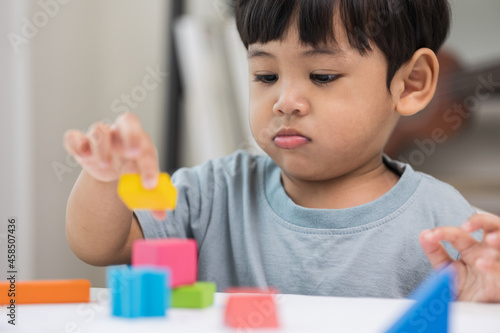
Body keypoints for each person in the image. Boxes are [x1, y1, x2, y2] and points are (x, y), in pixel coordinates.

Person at [64, 0, 500, 301]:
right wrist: (105, 178)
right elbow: (102, 246)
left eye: (323, 75)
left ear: (410, 84)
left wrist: (483, 298)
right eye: (266, 75)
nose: (285, 101)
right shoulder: (214, 192)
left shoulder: (445, 225)